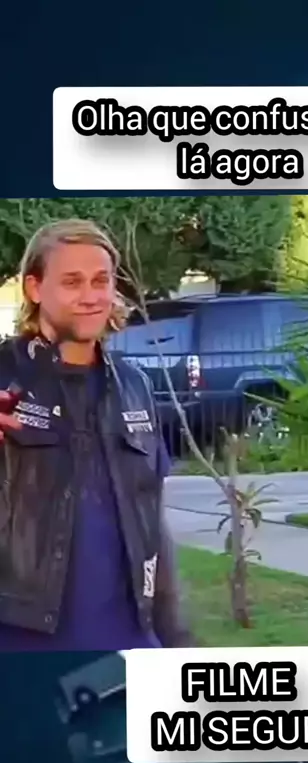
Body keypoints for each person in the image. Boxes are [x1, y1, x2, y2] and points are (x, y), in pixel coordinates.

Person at [0, 218, 194, 650]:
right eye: (72, 282)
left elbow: (151, 521)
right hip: (23, 645)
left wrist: (175, 638)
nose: (90, 296)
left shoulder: (134, 386)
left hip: (130, 640)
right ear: (34, 288)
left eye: (100, 281)